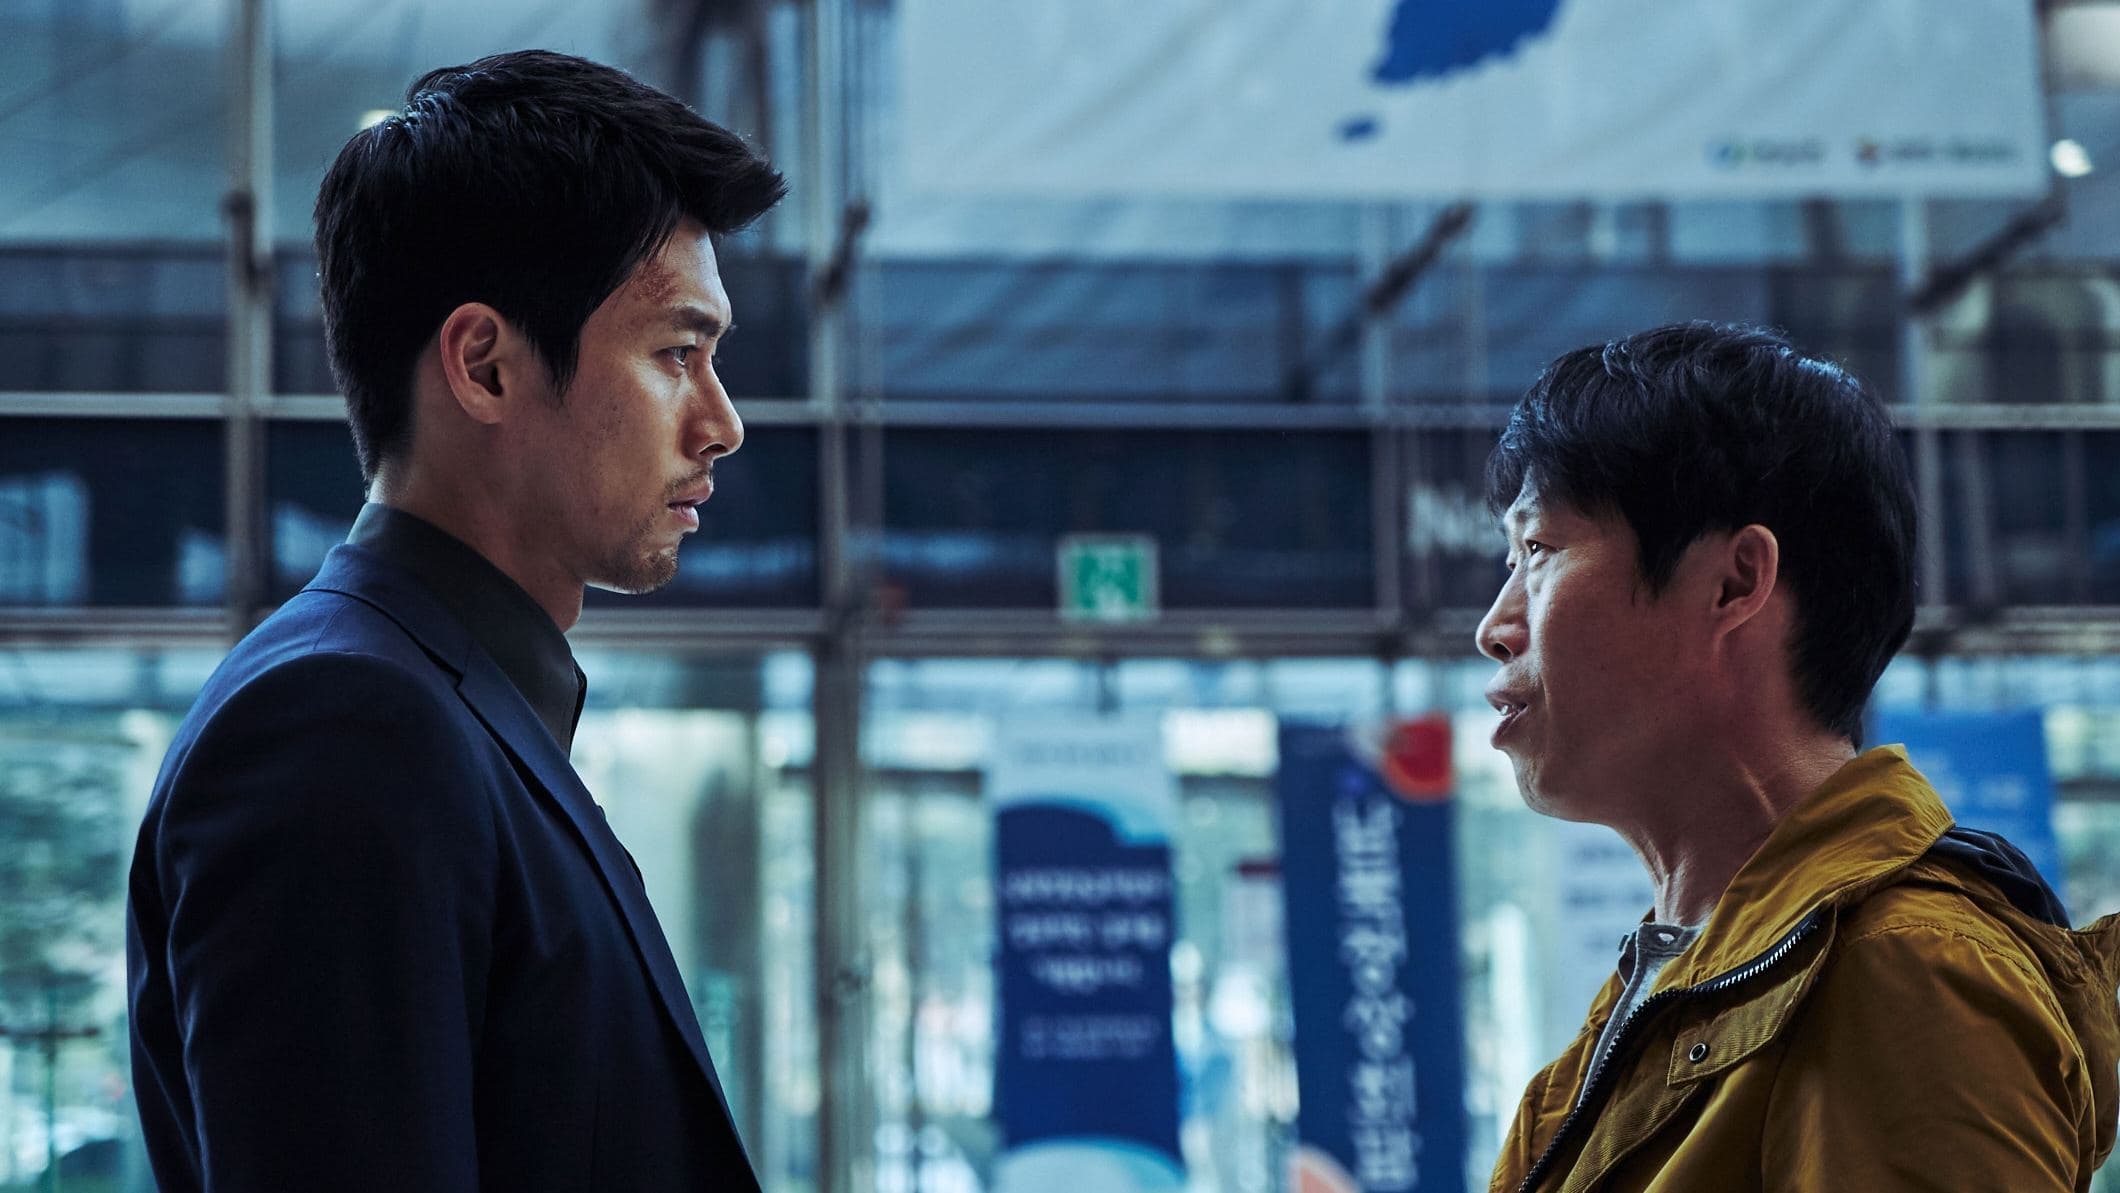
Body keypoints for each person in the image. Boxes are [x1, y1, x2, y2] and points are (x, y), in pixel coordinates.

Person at [126, 50, 784, 1191]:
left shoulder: (440, 709)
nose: (721, 422)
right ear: (484, 366)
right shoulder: (345, 722)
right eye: (677, 353)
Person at [1476, 322, 2118, 1192]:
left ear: (1736, 582)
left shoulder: (1909, 972)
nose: (1495, 626)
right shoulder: (1686, 987)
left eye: (1538, 552)